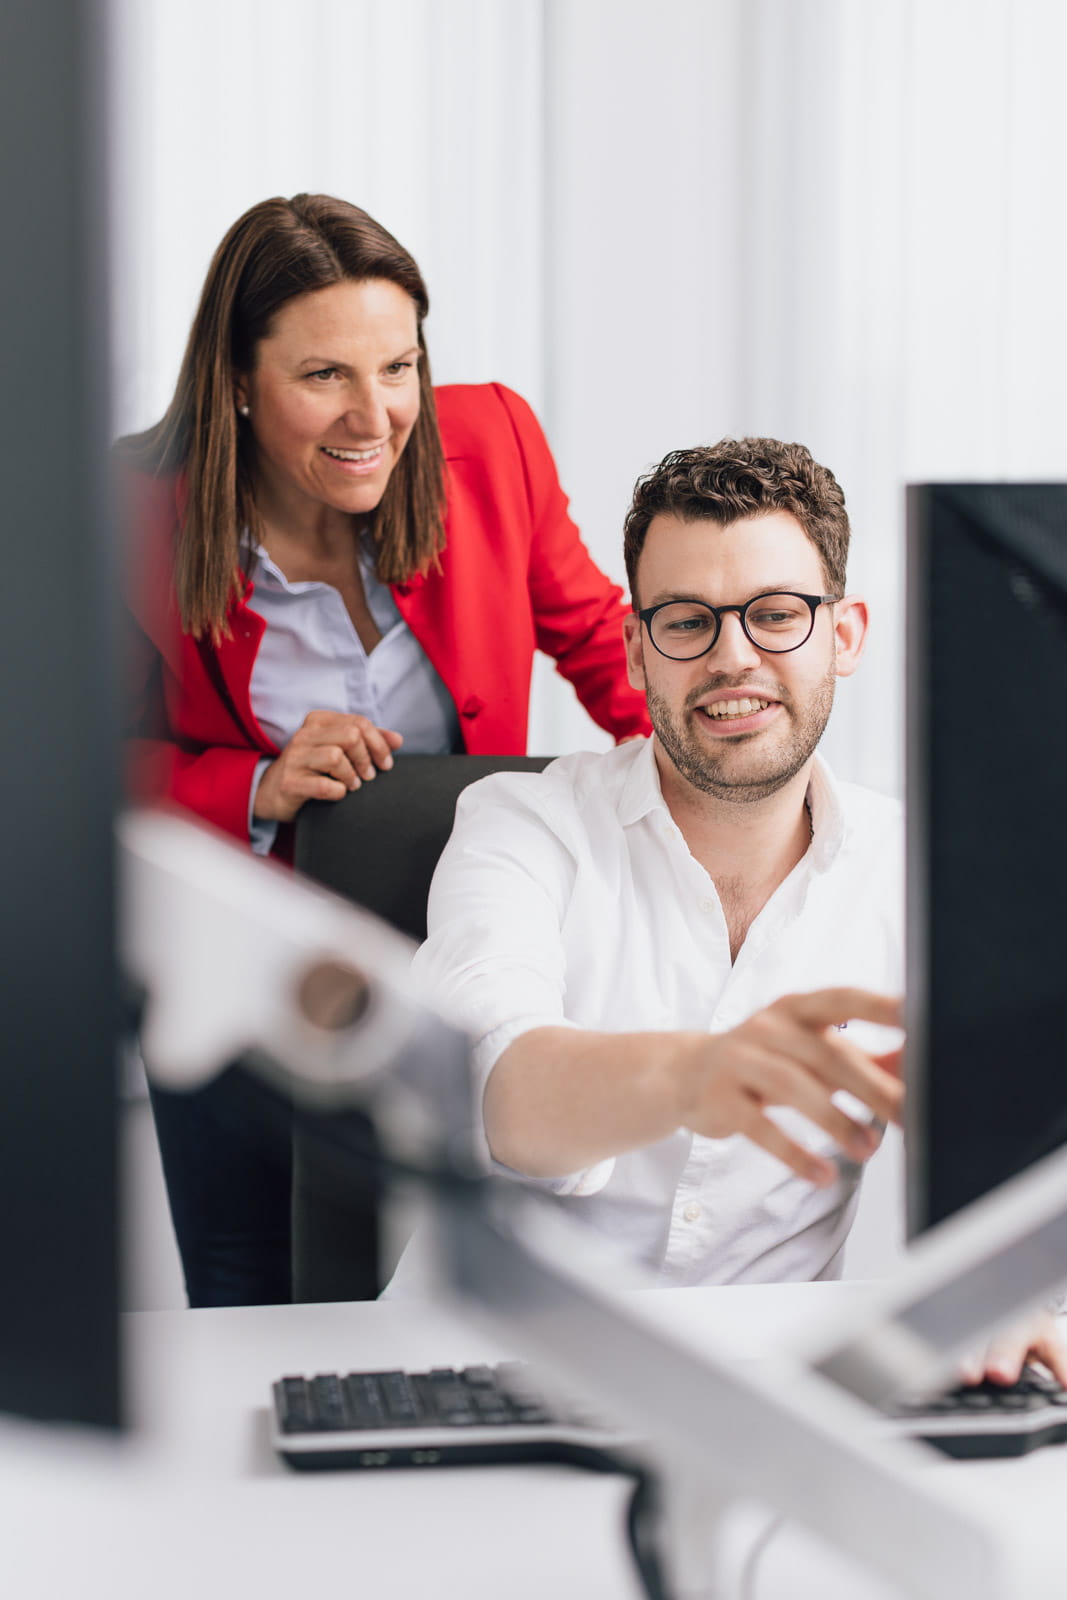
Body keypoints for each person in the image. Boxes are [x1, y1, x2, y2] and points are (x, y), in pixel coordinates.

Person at [405, 436, 1067, 1384]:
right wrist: (694, 1074)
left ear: (844, 635)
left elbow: (1016, 1149)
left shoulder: (920, 869)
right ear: (636, 652)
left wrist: (1013, 1292)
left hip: (770, 1388)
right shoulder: (521, 823)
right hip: (484, 1369)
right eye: (685, 622)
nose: (732, 657)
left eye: (775, 615)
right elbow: (496, 1093)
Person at [120, 192, 649, 1307]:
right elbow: (73, 772)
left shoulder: (490, 444)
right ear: (236, 380)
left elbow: (605, 647)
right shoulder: (132, 511)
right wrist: (257, 783)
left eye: (398, 367)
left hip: (459, 943)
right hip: (244, 960)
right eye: (324, 375)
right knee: (252, 1279)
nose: (376, 415)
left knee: (483, 1276)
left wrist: (720, 789)